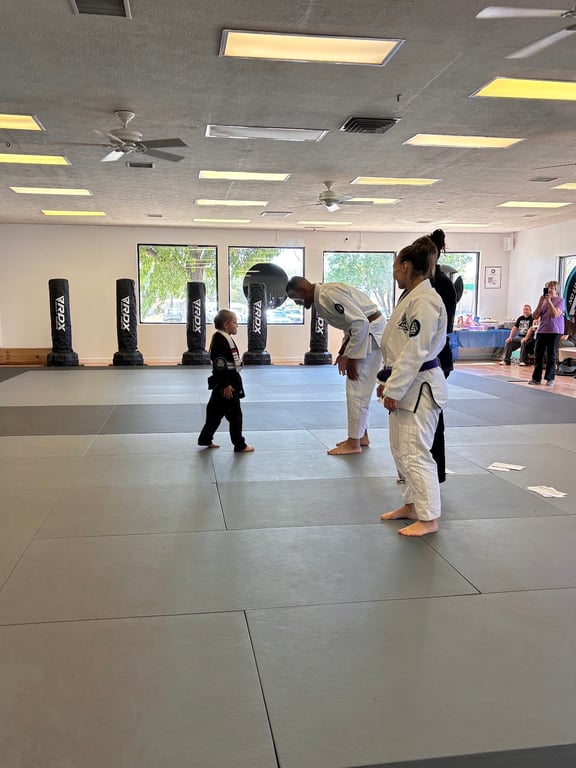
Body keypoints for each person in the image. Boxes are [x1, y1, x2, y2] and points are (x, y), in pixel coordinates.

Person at [378, 237, 448, 537]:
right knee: (400, 449)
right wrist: (387, 383)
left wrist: (393, 389)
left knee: (415, 452)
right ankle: (412, 505)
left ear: (406, 266)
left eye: (396, 267)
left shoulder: (425, 301)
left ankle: (429, 518)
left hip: (420, 388)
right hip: (407, 384)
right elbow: (398, 348)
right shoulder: (412, 297)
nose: (395, 274)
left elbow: (415, 351)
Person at [285, 276, 385, 455]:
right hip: (366, 332)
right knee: (359, 389)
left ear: (303, 291)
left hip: (369, 333)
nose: (297, 304)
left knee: (356, 388)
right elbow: (350, 325)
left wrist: (352, 358)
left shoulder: (327, 296)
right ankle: (361, 436)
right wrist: (343, 352)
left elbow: (360, 323)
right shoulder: (322, 296)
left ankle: (354, 443)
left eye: (296, 299)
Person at [198, 309, 254, 452]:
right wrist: (226, 385)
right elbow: (220, 365)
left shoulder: (223, 338)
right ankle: (239, 444)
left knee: (214, 413)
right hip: (227, 383)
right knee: (235, 416)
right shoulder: (220, 341)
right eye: (234, 323)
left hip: (226, 380)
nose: (237, 325)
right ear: (226, 324)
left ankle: (205, 438)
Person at [427, 229, 457, 484]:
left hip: (435, 355)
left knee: (431, 415)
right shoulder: (428, 284)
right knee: (424, 416)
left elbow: (433, 328)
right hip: (431, 354)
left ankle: (434, 471)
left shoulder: (439, 284)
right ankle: (424, 469)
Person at [529, 281, 565, 386]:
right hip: (542, 330)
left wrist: (549, 301)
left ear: (556, 290)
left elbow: (554, 315)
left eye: (552, 288)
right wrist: (540, 303)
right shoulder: (543, 301)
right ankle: (536, 378)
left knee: (551, 355)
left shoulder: (560, 300)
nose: (549, 290)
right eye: (548, 288)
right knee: (538, 355)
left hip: (555, 331)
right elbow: (535, 316)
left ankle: (550, 378)